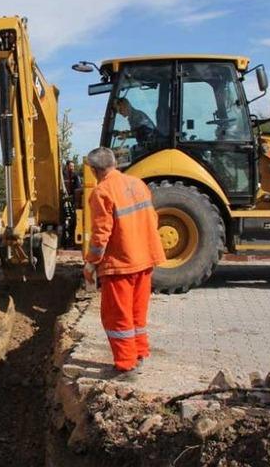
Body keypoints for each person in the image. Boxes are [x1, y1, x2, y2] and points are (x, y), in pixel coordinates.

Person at [82, 147, 166, 375]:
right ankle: (139, 354)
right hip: (144, 259)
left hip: (121, 264)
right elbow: (152, 218)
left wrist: (92, 262)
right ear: (114, 163)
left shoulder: (102, 192)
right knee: (137, 314)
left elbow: (101, 233)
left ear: (93, 169)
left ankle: (126, 365)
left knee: (117, 317)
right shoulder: (137, 184)